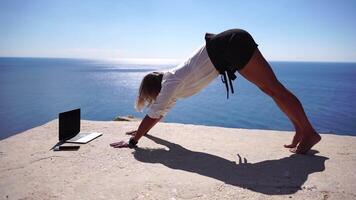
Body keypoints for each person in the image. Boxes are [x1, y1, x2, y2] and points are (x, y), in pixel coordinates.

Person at [110, 29, 321, 154]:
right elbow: (160, 112)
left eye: (150, 96)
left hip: (231, 45)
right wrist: (141, 132)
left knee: (274, 88)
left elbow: (154, 112)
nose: (153, 99)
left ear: (154, 88)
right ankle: (300, 131)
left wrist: (133, 141)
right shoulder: (173, 84)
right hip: (229, 47)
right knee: (270, 89)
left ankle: (309, 132)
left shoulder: (171, 82)